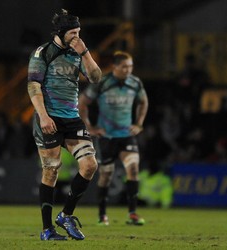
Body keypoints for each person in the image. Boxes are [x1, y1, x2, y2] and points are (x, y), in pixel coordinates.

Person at [27, 9, 102, 241]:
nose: (77, 36)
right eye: (73, 32)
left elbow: (96, 77)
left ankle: (66, 215)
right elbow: (33, 87)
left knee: (90, 165)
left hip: (71, 118)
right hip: (48, 117)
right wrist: (43, 116)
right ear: (61, 33)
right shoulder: (43, 52)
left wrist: (86, 53)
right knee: (51, 170)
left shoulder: (77, 53)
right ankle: (47, 230)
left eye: (79, 32)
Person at [78, 51, 149, 226]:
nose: (128, 70)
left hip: (126, 135)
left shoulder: (135, 83)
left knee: (133, 170)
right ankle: (102, 214)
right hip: (106, 137)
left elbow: (143, 102)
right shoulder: (102, 82)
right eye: (124, 66)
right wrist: (89, 127)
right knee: (106, 176)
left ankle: (132, 213)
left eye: (130, 66)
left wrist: (139, 123)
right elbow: (82, 102)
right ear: (115, 67)